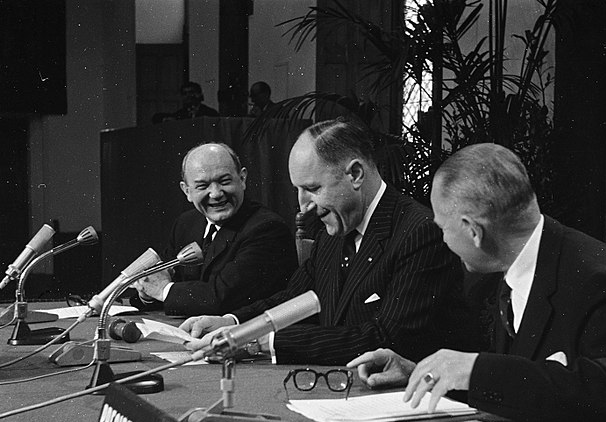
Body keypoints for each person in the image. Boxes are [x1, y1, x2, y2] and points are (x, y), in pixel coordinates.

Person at [347, 143, 606, 422]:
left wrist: (477, 370)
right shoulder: (514, 266)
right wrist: (426, 373)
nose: (442, 239)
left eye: (443, 228)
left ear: (473, 231)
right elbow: (527, 383)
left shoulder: (596, 277)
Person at [180, 117, 478, 365]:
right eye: (298, 190)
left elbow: (386, 339)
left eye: (312, 188)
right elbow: (293, 299)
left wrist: (258, 342)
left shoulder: (419, 232)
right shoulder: (333, 231)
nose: (304, 206)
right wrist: (233, 324)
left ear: (356, 175)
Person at [131, 143, 297, 316]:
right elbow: (167, 284)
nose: (216, 193)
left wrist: (162, 289)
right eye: (202, 186)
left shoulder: (267, 229)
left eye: (224, 181)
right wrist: (147, 293)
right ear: (187, 191)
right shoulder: (186, 223)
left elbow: (221, 299)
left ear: (242, 179)